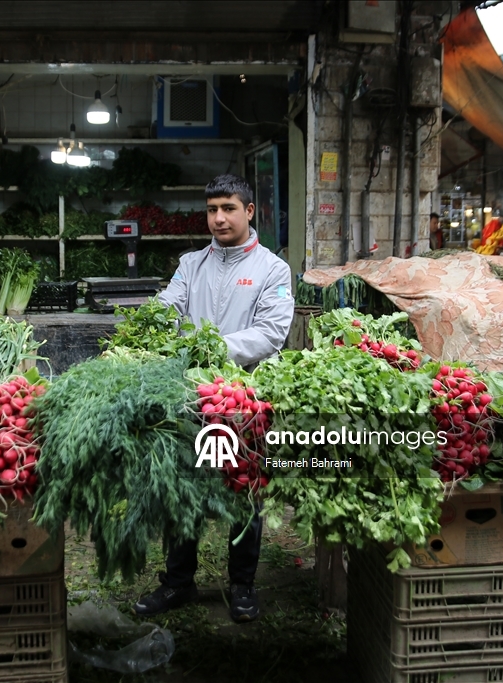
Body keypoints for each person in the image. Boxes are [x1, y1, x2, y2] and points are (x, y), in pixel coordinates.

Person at [134, 174, 293, 623]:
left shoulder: (272, 270)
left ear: (249, 211)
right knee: (182, 486)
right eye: (211, 210)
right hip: (188, 395)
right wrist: (153, 322)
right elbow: (170, 306)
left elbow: (270, 333)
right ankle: (178, 582)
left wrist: (209, 350)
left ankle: (242, 585)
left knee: (244, 490)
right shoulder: (191, 264)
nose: (218, 218)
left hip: (241, 397)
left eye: (227, 208)